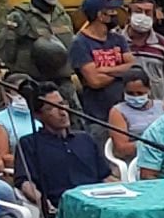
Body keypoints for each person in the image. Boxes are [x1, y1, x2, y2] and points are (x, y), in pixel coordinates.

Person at [15, 81, 121, 210]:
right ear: (37, 115)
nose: (62, 112)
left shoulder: (85, 139)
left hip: (99, 205)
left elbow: (105, 176)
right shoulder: (29, 144)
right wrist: (42, 202)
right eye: (52, 108)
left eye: (62, 104)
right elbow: (25, 183)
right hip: (63, 209)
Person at [65, 0, 141, 122]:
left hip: (127, 112)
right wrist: (122, 72)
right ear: (101, 15)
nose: (116, 14)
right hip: (99, 117)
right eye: (111, 10)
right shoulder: (80, 43)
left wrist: (103, 70)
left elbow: (134, 67)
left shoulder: (118, 38)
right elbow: (95, 81)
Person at [0, 0, 72, 90]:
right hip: (33, 82)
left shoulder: (62, 16)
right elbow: (7, 53)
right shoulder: (19, 17)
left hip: (62, 82)